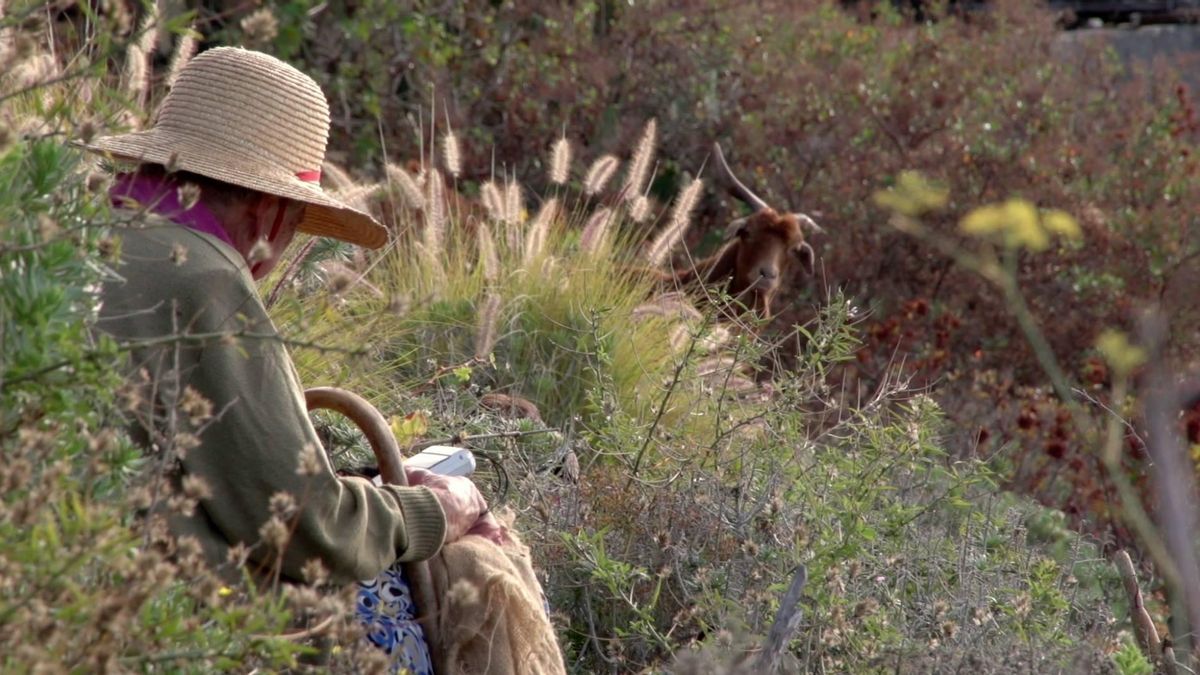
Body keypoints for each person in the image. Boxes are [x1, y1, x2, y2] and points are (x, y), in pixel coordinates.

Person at [85, 47, 501, 672]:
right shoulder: (206, 282)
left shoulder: (68, 239)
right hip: (163, 622)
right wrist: (435, 511)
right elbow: (303, 529)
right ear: (269, 209)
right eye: (296, 224)